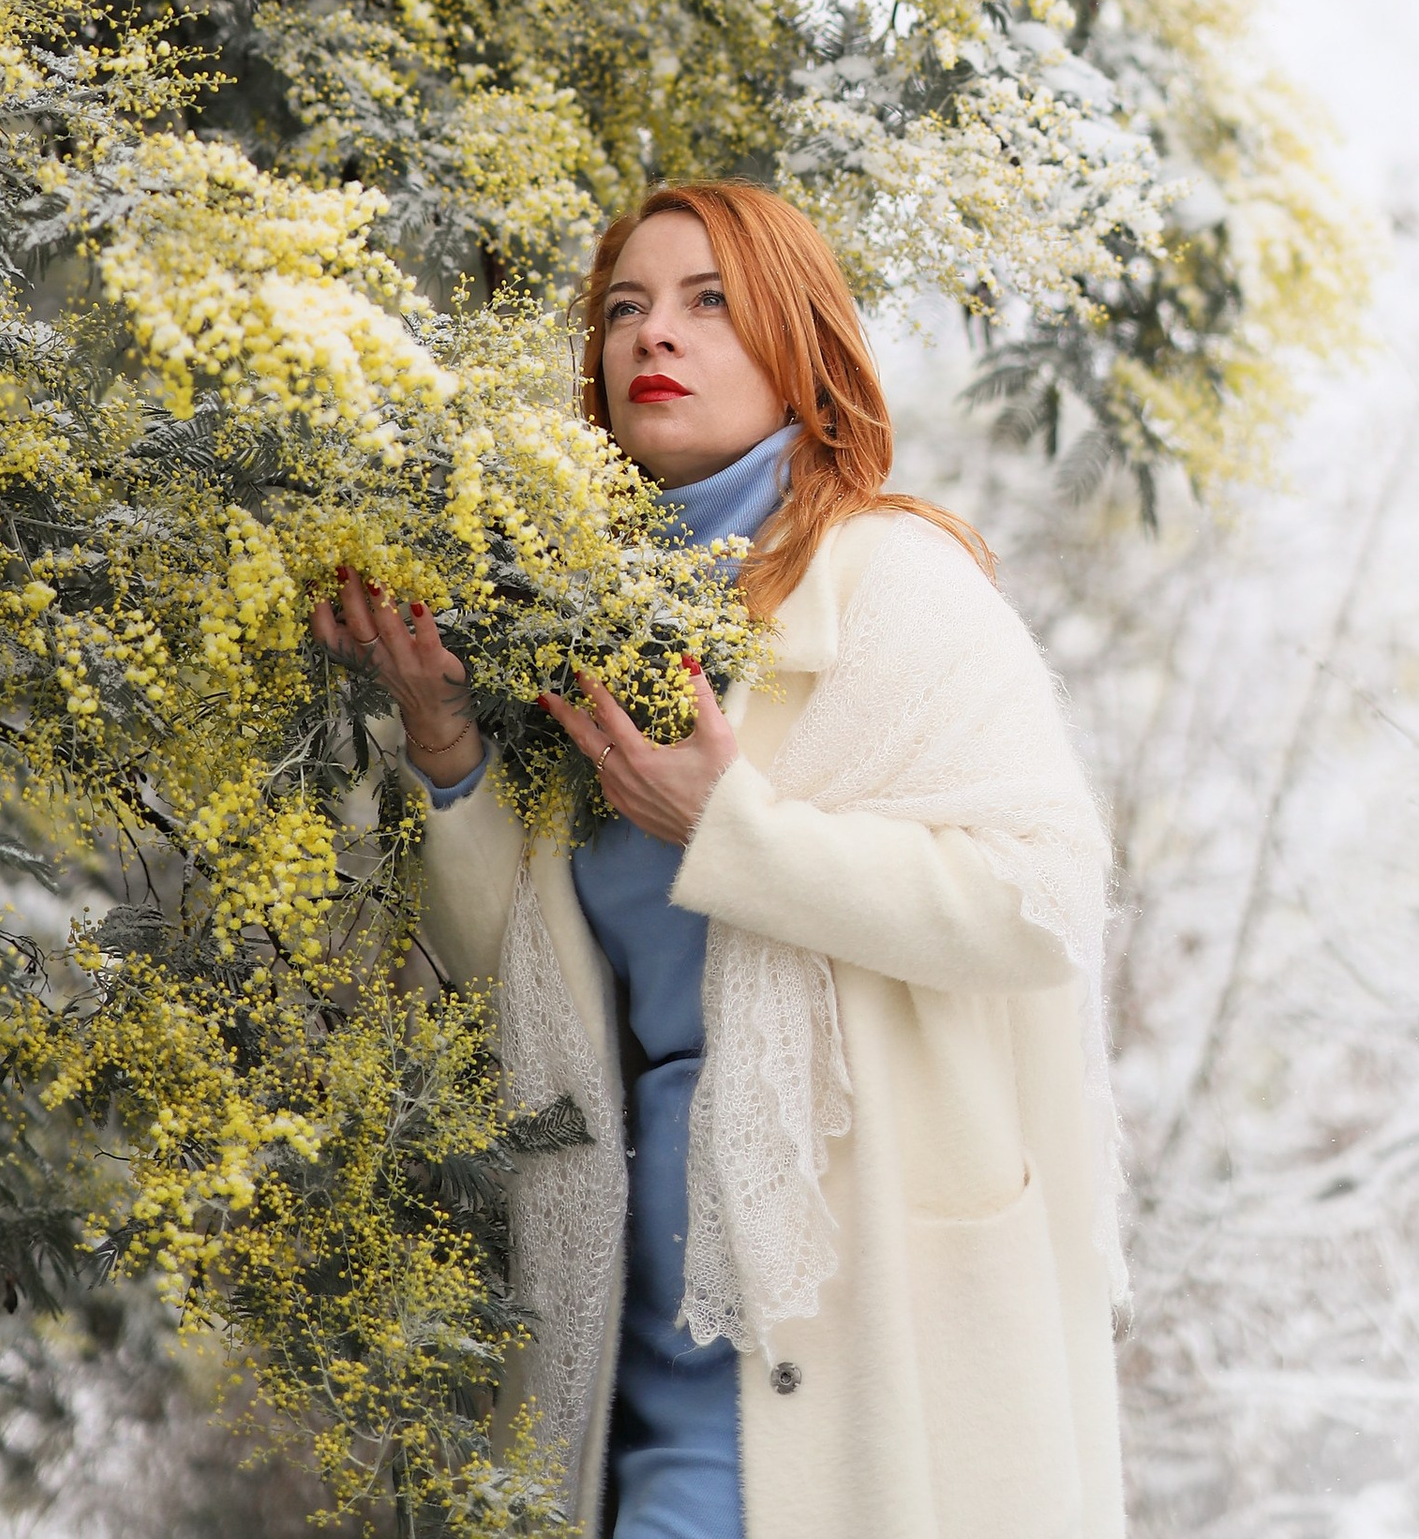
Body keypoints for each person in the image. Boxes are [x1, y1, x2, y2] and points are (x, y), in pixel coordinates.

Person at [313, 180, 1125, 1539]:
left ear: (799, 343)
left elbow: (1037, 901)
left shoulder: (896, 582)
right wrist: (447, 741)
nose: (652, 337)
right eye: (624, 308)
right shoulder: (571, 615)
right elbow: (524, 984)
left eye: (708, 302)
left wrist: (735, 834)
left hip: (862, 1325)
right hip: (634, 1334)